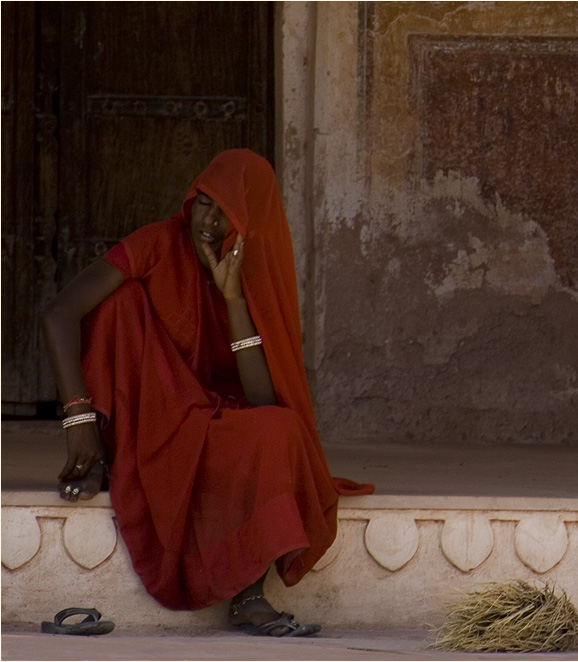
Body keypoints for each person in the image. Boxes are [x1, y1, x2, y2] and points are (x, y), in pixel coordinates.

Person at [41, 149, 374, 636]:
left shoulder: (260, 275)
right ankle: (103, 461)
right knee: (121, 304)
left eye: (227, 214)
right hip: (149, 414)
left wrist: (233, 297)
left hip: (213, 421)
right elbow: (59, 313)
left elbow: (265, 402)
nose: (210, 223)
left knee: (279, 431)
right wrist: (79, 422)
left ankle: (249, 594)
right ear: (189, 199)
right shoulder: (157, 243)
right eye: (204, 204)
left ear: (249, 225)